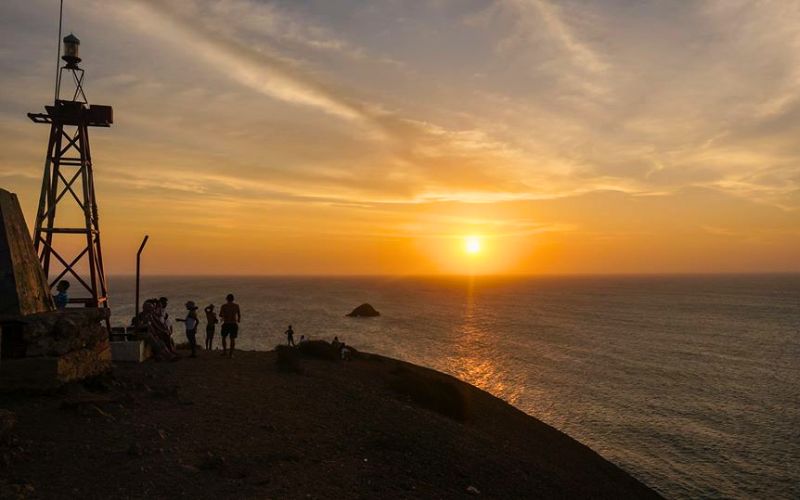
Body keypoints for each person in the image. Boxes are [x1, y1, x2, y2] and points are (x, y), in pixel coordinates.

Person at [219, 293, 241, 358]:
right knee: (232, 339)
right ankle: (231, 354)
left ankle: (225, 352)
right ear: (233, 299)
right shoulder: (236, 306)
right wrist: (238, 320)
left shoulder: (224, 306)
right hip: (233, 323)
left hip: (226, 323)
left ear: (227, 299)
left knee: (223, 337)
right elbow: (239, 315)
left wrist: (224, 316)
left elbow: (220, 315)